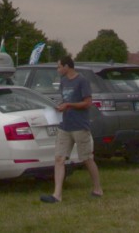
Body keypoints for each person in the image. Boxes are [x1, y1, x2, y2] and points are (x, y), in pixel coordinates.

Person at [41, 55, 103, 203]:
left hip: (80, 126)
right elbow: (65, 100)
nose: (57, 69)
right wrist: (59, 106)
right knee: (59, 158)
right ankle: (57, 195)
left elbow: (87, 103)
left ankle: (97, 189)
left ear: (67, 66)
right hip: (65, 126)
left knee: (87, 158)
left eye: (59, 66)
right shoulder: (63, 81)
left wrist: (69, 105)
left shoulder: (82, 81)